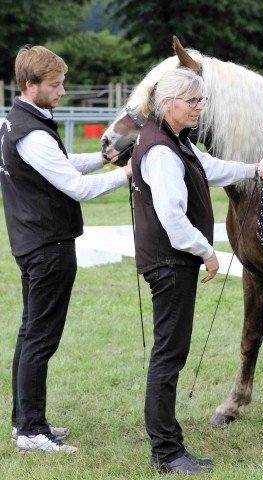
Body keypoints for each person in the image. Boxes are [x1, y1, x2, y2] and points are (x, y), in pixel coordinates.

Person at [0, 45, 132, 453]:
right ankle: (33, 432)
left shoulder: (18, 122)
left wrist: (104, 157)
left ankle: (25, 422)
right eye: (54, 85)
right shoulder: (33, 133)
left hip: (31, 240)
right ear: (30, 85)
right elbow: (75, 187)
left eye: (62, 83)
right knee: (41, 337)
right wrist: (125, 173)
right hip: (47, 246)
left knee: (31, 334)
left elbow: (63, 161)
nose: (62, 91)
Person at [130, 67, 256, 475]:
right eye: (193, 101)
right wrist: (207, 252)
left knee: (171, 353)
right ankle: (166, 452)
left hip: (172, 262)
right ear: (168, 104)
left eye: (202, 101)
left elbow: (212, 168)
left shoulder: (176, 142)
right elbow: (171, 215)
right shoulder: (162, 150)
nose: (200, 108)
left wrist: (256, 171)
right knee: (169, 356)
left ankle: (169, 445)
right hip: (170, 263)